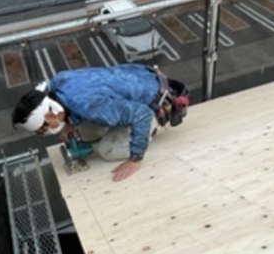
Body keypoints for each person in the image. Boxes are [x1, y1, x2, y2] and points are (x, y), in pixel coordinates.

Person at [12, 64, 188, 182]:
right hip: (141, 76)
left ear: (51, 116)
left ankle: (150, 131)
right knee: (86, 132)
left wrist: (136, 158)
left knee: (107, 151)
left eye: (43, 129)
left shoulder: (89, 106)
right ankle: (116, 125)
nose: (46, 133)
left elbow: (141, 115)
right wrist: (66, 124)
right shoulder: (58, 82)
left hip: (151, 104)